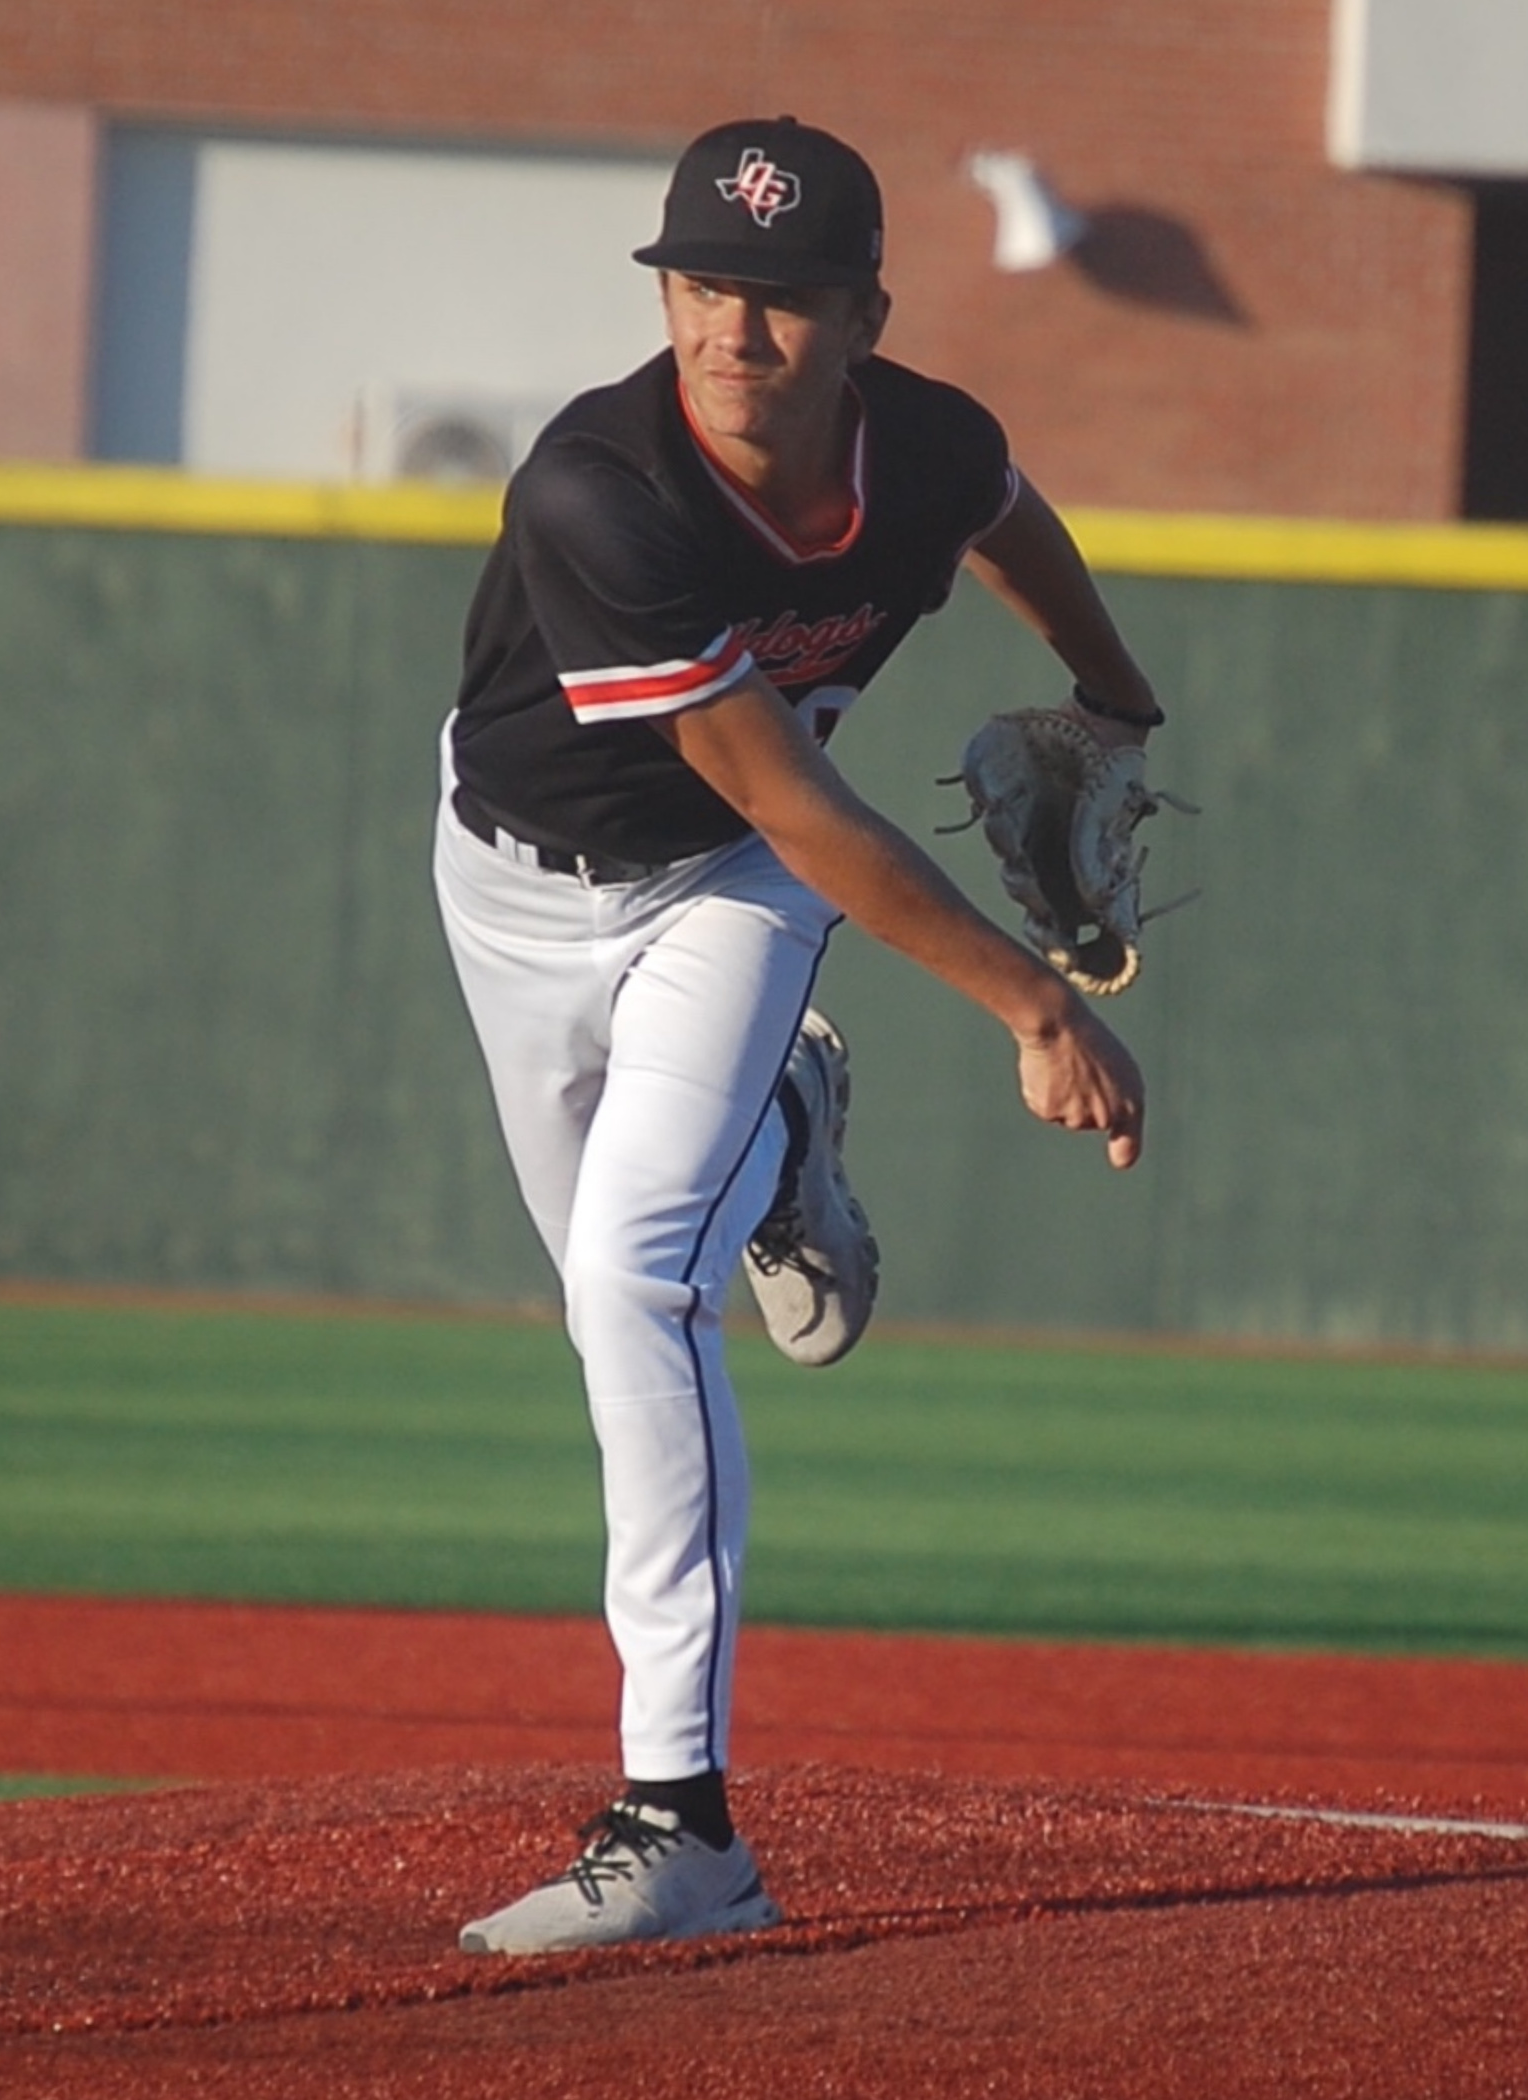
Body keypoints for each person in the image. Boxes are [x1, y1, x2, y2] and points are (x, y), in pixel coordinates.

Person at [434, 115, 1161, 1955]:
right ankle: (783, 1137)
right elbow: (792, 788)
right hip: (518, 890)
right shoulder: (601, 488)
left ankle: (677, 1824)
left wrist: (1113, 693)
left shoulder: (924, 443)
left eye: (778, 296)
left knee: (633, 1287)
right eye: (699, 284)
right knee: (602, 1286)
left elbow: (1002, 516)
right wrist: (1029, 1001)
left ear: (862, 319)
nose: (730, 329)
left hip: (735, 892)